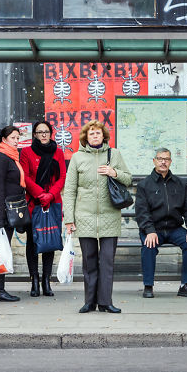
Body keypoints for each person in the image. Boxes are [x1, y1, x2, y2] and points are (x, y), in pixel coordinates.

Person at [62, 120, 132, 314]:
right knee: (89, 261)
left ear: (104, 136)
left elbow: (128, 178)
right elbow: (69, 190)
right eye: (91, 133)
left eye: (98, 133)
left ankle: (106, 302)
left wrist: (114, 172)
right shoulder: (77, 158)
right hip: (84, 216)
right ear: (86, 137)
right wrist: (69, 219)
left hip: (110, 215)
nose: (95, 136)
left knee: (107, 261)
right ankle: (89, 301)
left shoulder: (114, 154)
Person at [135, 147, 187, 299]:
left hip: (174, 228)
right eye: (160, 159)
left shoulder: (180, 184)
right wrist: (149, 230)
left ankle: (185, 285)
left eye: (166, 159)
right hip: (154, 228)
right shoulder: (144, 185)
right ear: (154, 161)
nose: (163, 162)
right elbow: (142, 212)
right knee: (148, 245)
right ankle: (148, 285)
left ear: (171, 161)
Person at [20, 120, 67, 297]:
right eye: (40, 132)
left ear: (51, 133)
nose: (43, 135)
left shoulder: (58, 152)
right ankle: (34, 280)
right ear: (34, 135)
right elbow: (24, 176)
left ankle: (46, 280)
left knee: (50, 240)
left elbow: (62, 177)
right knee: (32, 241)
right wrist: (41, 194)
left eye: (46, 131)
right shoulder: (26, 152)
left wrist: (50, 195)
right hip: (34, 202)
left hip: (53, 203)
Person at [0, 125, 26, 303]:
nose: (16, 141)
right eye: (13, 138)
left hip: (13, 209)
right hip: (5, 210)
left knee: (4, 248)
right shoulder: (1, 158)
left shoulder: (12, 157)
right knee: (1, 249)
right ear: (4, 140)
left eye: (18, 138)